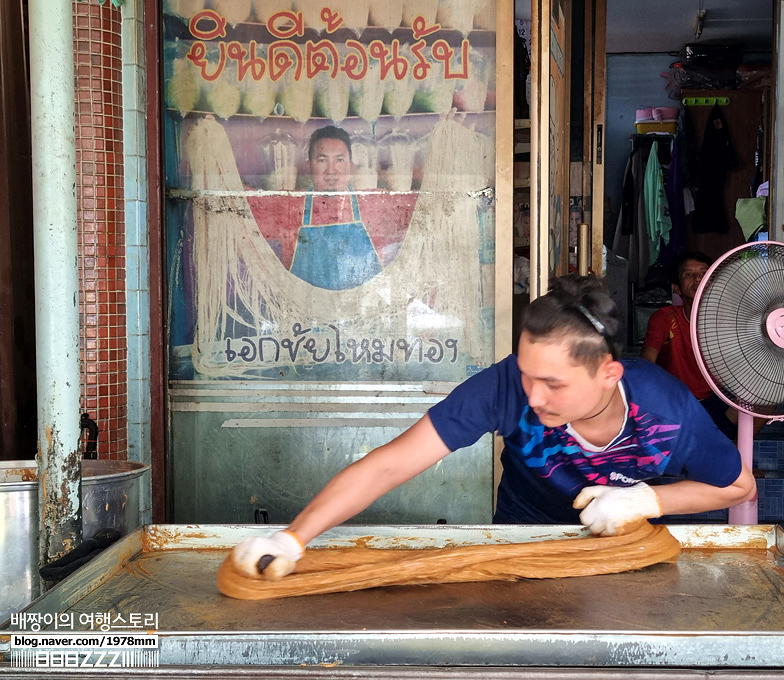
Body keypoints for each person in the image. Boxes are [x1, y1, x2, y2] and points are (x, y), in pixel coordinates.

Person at [232, 274, 756, 579]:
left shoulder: (668, 411)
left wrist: (650, 501)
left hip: (625, 553)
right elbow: (391, 464)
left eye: (553, 384)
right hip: (520, 545)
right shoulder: (505, 386)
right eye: (527, 375)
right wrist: (295, 537)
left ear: (607, 374)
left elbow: (738, 485)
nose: (533, 396)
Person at [248, 125, 416, 290]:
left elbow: (424, 209)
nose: (331, 171)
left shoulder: (376, 202)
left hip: (361, 312)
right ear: (309, 166)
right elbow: (240, 203)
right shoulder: (290, 205)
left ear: (350, 166)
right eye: (322, 160)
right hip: (307, 312)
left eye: (339, 160)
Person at [641, 251, 746, 440]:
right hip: (678, 403)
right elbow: (647, 361)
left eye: (703, 273)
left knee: (765, 399)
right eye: (688, 274)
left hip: (716, 403)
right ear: (677, 288)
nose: (697, 278)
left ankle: (738, 458)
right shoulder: (665, 317)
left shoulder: (728, 320)